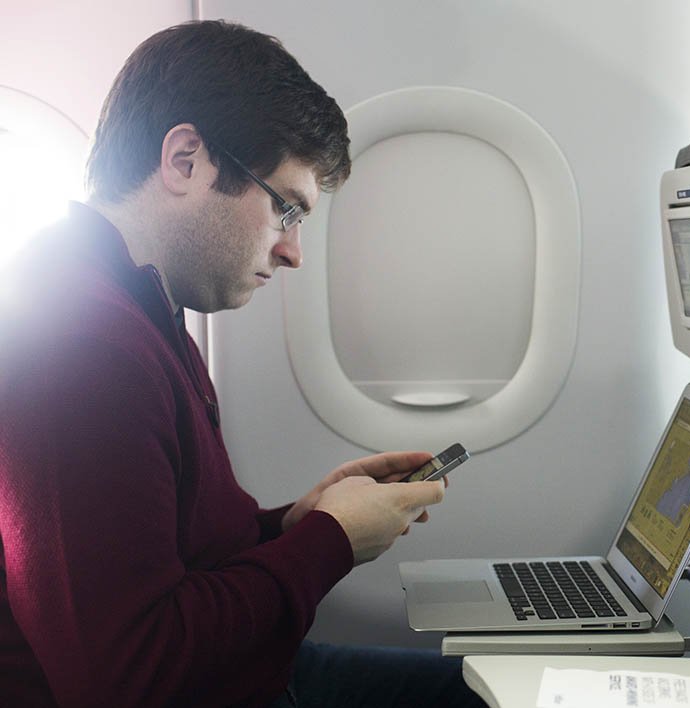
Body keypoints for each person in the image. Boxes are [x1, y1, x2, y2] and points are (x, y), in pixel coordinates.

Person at [0, 20, 483, 708]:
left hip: (246, 674)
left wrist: (292, 523)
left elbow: (166, 554)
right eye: (286, 208)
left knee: (509, 691)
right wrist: (331, 540)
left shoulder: (141, 309)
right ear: (186, 160)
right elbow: (129, 676)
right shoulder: (79, 344)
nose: (293, 252)